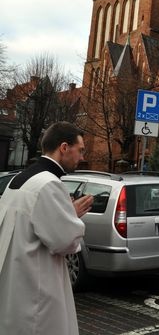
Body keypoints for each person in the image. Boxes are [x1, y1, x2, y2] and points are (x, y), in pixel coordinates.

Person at [0, 121, 93, 335]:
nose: (82, 157)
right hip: (37, 288)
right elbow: (66, 241)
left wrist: (66, 214)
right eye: (80, 150)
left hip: (15, 282)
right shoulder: (49, 184)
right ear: (63, 148)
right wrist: (73, 216)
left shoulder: (20, 178)